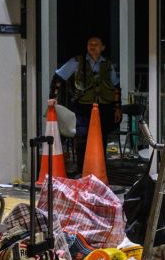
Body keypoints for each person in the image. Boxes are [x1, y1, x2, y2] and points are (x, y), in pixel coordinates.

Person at [50, 37, 121, 172]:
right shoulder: (77, 62)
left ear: (103, 48)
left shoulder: (107, 65)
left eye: (96, 44)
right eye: (90, 44)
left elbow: (116, 86)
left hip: (103, 107)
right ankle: (82, 169)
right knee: (81, 137)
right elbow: (58, 77)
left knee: (102, 138)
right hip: (82, 106)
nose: (92, 46)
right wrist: (53, 97)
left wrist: (117, 107)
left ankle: (99, 169)